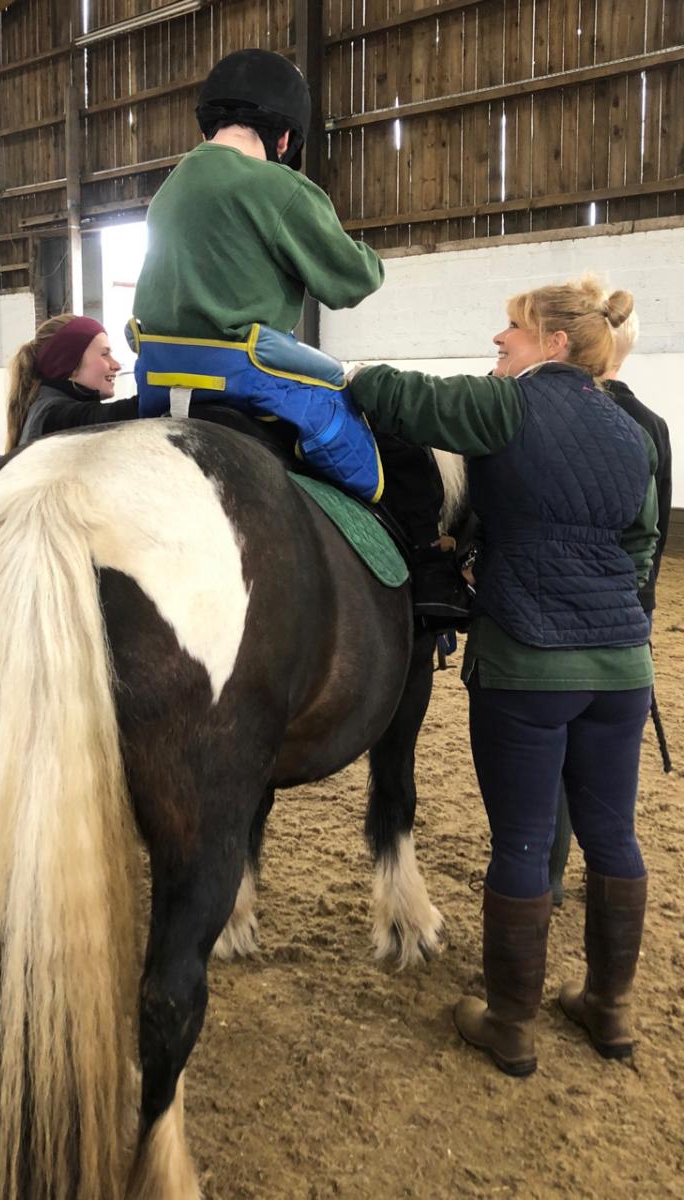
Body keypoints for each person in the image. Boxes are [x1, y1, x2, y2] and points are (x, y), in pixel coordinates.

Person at [349, 275, 659, 1076]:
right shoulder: (631, 428)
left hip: (529, 662)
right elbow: (634, 546)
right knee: (615, 837)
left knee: (523, 842)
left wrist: (347, 373)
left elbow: (395, 394)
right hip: (624, 665)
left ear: (553, 344)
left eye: (510, 331)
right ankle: (609, 1008)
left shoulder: (505, 406)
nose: (498, 342)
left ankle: (511, 1023)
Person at [130, 46, 467, 620]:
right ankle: (431, 569)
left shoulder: (170, 188)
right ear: (284, 139)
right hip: (244, 369)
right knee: (390, 433)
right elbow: (349, 281)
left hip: (159, 373)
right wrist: (363, 252)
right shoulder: (276, 187)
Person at [548, 307, 673, 903]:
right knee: (601, 766)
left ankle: (545, 871)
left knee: (552, 744)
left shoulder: (557, 412)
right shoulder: (653, 424)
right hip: (629, 610)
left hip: (554, 612)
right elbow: (651, 534)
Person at [5, 314, 138, 451]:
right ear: (69, 364)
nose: (116, 365)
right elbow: (108, 416)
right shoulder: (54, 417)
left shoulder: (44, 408)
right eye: (105, 354)